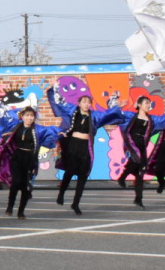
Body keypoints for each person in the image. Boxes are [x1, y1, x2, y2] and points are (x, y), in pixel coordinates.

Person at [47, 84, 124, 215]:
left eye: (89, 102)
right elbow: (60, 102)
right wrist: (55, 87)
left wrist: (114, 100)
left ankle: (76, 203)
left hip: (86, 147)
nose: (86, 104)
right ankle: (61, 193)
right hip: (73, 145)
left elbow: (109, 113)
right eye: (84, 102)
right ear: (79, 103)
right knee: (69, 172)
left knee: (83, 175)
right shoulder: (72, 111)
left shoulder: (94, 116)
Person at [0, 105, 60, 219]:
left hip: (30, 159)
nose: (29, 118)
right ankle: (10, 206)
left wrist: (60, 133)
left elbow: (51, 131)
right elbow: (3, 125)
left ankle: (21, 211)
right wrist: (6, 137)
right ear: (22, 116)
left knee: (26, 187)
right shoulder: (16, 127)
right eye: (27, 115)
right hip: (17, 158)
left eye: (31, 116)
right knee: (16, 182)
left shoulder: (38, 129)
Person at [112, 96, 165, 209]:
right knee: (136, 161)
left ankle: (138, 199)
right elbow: (118, 115)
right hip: (132, 141)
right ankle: (122, 177)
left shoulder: (150, 119)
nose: (148, 105)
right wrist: (118, 107)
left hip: (143, 144)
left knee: (140, 172)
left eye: (149, 103)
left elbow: (163, 119)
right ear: (139, 105)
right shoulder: (131, 116)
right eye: (146, 103)